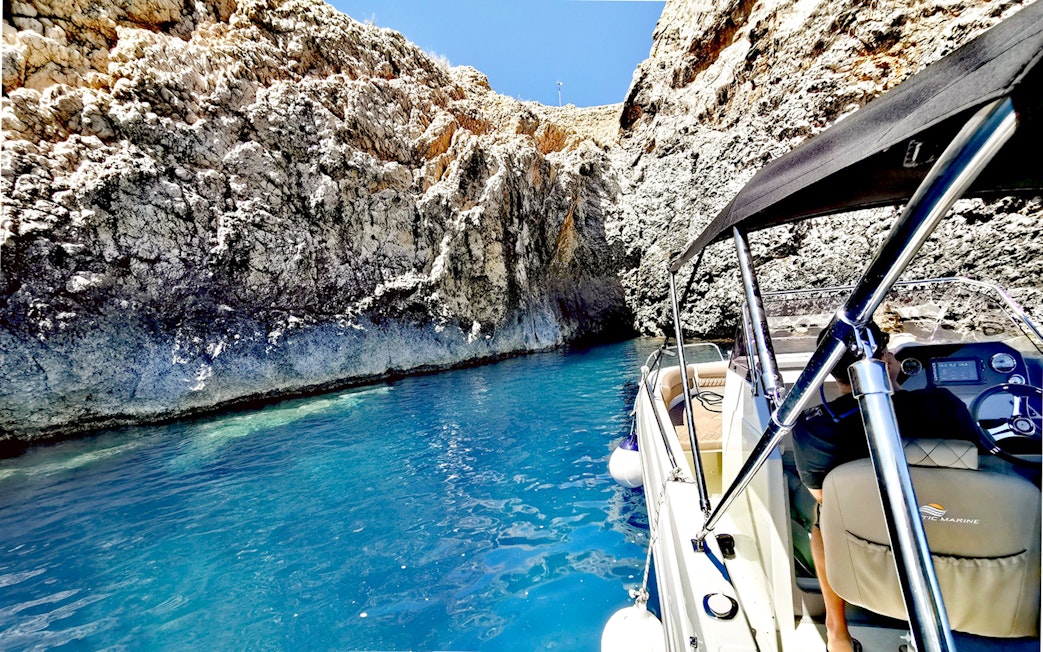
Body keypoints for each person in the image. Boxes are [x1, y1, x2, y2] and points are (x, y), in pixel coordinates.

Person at [792, 323, 980, 652]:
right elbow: (980, 466)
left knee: (824, 513)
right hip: (955, 529)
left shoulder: (814, 426)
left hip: (867, 547)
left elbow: (823, 496)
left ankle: (837, 631)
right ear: (885, 358)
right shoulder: (943, 405)